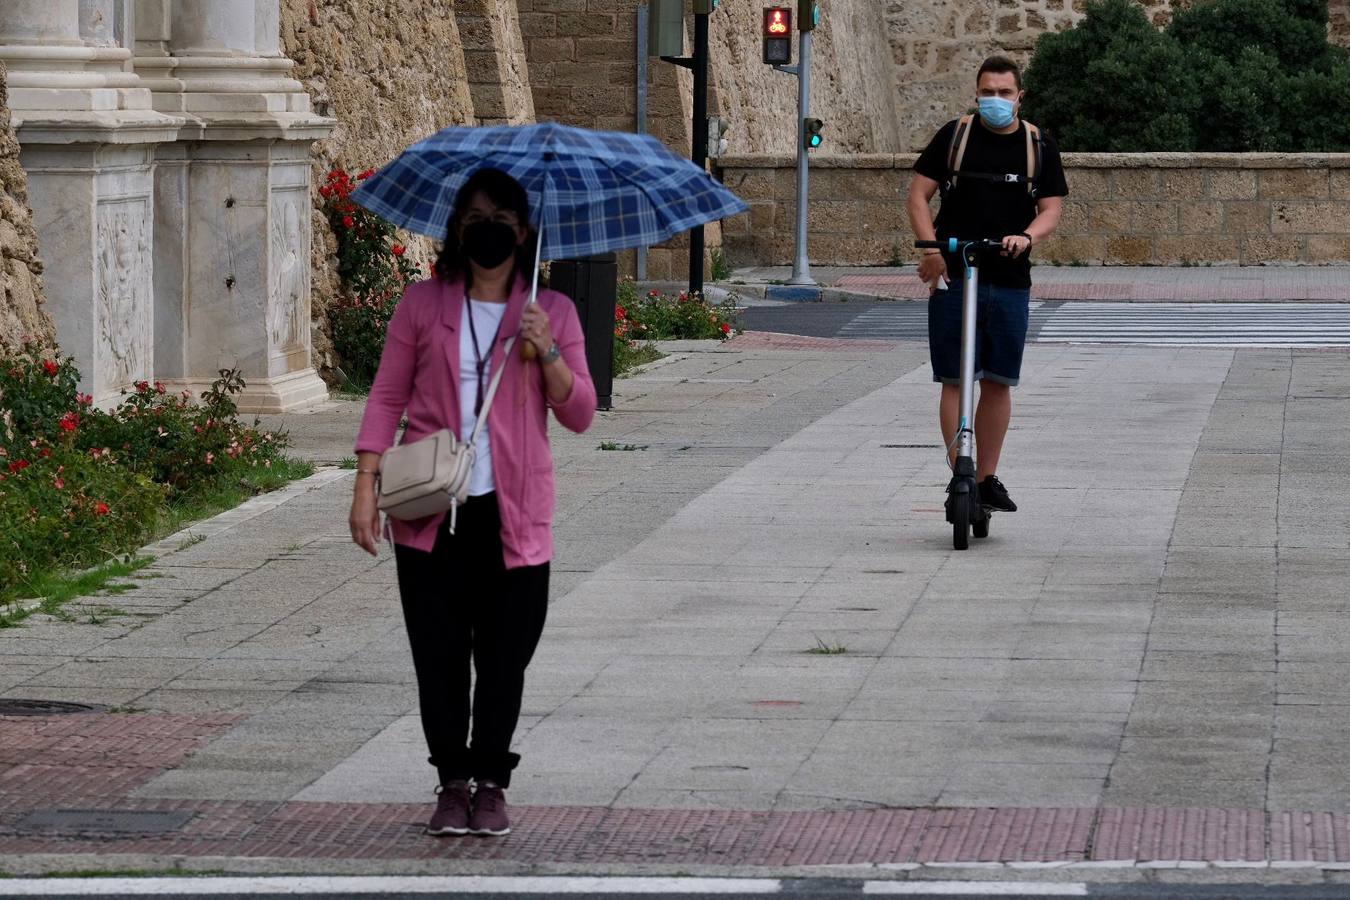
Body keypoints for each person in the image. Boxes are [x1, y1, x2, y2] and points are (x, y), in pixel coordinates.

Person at [349, 168, 596, 838]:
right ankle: (450, 782)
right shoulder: (423, 306)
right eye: (476, 215)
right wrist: (365, 486)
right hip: (430, 512)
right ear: (457, 227)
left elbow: (580, 414)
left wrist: (546, 354)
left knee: (505, 658)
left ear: (523, 231)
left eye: (504, 217)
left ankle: (492, 783)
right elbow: (386, 398)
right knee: (438, 657)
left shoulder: (553, 313)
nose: (490, 227)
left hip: (514, 518)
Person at [906, 55, 1068, 513]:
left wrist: (1027, 236)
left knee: (998, 381)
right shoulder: (955, 137)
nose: (994, 100)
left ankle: (986, 476)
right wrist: (932, 251)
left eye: (1003, 92)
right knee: (955, 379)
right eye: (986, 92)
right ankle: (962, 471)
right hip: (956, 274)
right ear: (976, 94)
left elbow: (1051, 209)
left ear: (1020, 96)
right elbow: (918, 195)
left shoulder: (1039, 145)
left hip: (1010, 276)